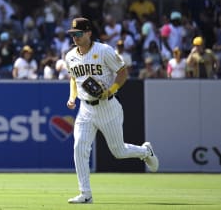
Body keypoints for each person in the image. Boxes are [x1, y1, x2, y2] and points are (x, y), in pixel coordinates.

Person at [65, 17, 158, 204]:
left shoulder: (104, 50)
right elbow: (74, 78)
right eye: (73, 34)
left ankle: (145, 151)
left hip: (108, 107)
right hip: (85, 109)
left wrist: (110, 91)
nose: (75, 37)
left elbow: (122, 73)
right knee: (79, 147)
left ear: (89, 33)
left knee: (119, 151)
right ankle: (86, 194)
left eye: (79, 33)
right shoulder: (70, 56)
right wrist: (72, 97)